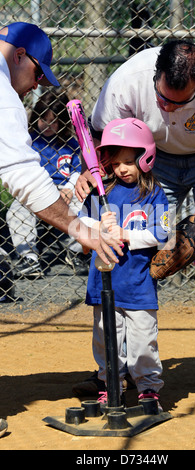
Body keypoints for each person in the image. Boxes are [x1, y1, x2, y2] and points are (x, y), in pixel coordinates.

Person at [75, 39, 195, 413]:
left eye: (178, 102)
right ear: (156, 75)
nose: (166, 107)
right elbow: (101, 138)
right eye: (162, 97)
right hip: (149, 160)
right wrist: (90, 174)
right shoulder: (128, 78)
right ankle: (115, 372)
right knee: (127, 256)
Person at [0, 21, 122, 438]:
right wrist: (77, 227)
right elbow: (21, 174)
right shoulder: (2, 91)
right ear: (19, 55)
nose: (34, 88)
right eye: (37, 74)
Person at [78, 117, 169, 409]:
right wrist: (97, 228)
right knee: (107, 340)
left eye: (130, 161)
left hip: (139, 284)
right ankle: (110, 384)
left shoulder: (155, 193)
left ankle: (148, 388)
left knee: (143, 341)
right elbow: (80, 234)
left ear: (146, 158)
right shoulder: (99, 193)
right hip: (103, 284)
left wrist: (125, 234)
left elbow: (164, 233)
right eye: (116, 163)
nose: (122, 169)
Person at [6, 89, 88, 277]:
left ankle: (75, 253)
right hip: (37, 188)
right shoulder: (30, 141)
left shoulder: (70, 143)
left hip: (65, 189)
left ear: (63, 122)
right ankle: (29, 258)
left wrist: (69, 188)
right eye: (44, 119)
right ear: (36, 116)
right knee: (17, 212)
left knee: (83, 206)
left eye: (54, 121)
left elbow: (77, 170)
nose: (48, 125)